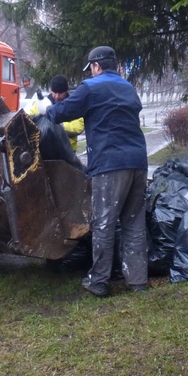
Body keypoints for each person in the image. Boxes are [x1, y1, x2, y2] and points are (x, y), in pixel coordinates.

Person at [46, 45, 149, 297]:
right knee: (134, 222)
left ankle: (99, 281)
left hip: (109, 164)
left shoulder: (90, 87)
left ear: (96, 66)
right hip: (138, 162)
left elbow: (61, 113)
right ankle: (138, 281)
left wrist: (46, 109)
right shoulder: (128, 87)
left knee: (104, 221)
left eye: (91, 68)